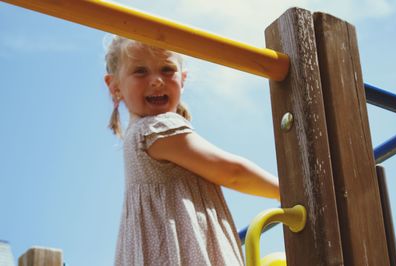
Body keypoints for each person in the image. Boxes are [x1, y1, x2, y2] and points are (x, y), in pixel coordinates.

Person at [104, 35, 280, 266]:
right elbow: (232, 172)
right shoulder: (156, 129)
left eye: (167, 70)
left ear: (182, 79)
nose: (157, 80)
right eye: (140, 71)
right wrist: (287, 190)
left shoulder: (136, 138)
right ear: (115, 87)